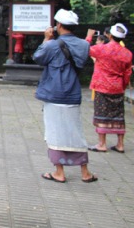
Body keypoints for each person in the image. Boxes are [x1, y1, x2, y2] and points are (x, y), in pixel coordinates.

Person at [33, 9, 96, 183]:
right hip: (73, 93)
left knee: (54, 132)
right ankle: (85, 172)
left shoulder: (53, 45)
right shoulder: (84, 45)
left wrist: (46, 38)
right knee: (76, 131)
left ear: (59, 25)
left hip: (54, 93)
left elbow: (38, 57)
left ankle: (59, 172)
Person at [85, 23, 132, 153]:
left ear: (110, 35)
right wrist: (122, 85)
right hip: (117, 86)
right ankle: (120, 144)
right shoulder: (127, 53)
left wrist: (89, 37)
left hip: (102, 85)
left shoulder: (102, 49)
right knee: (118, 114)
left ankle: (102, 143)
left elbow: (85, 49)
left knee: (101, 114)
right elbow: (127, 72)